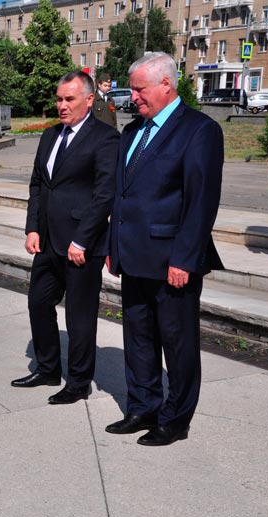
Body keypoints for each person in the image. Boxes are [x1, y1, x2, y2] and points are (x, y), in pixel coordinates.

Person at [105, 52, 224, 446]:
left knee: (178, 343)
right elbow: (120, 197)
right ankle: (142, 407)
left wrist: (185, 258)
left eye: (139, 89)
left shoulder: (198, 130)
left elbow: (200, 202)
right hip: (133, 255)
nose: (132, 97)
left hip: (173, 260)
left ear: (166, 86)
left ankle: (176, 419)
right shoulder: (131, 132)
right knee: (138, 338)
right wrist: (112, 246)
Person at [11, 71, 119, 405]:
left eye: (69, 99)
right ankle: (47, 368)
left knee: (79, 314)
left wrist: (82, 240)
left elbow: (104, 196)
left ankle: (78, 381)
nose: (62, 105)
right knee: (39, 302)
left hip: (82, 245)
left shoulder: (105, 138)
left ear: (89, 99)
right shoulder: (49, 136)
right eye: (59, 99)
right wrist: (32, 228)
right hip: (47, 240)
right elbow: (38, 185)